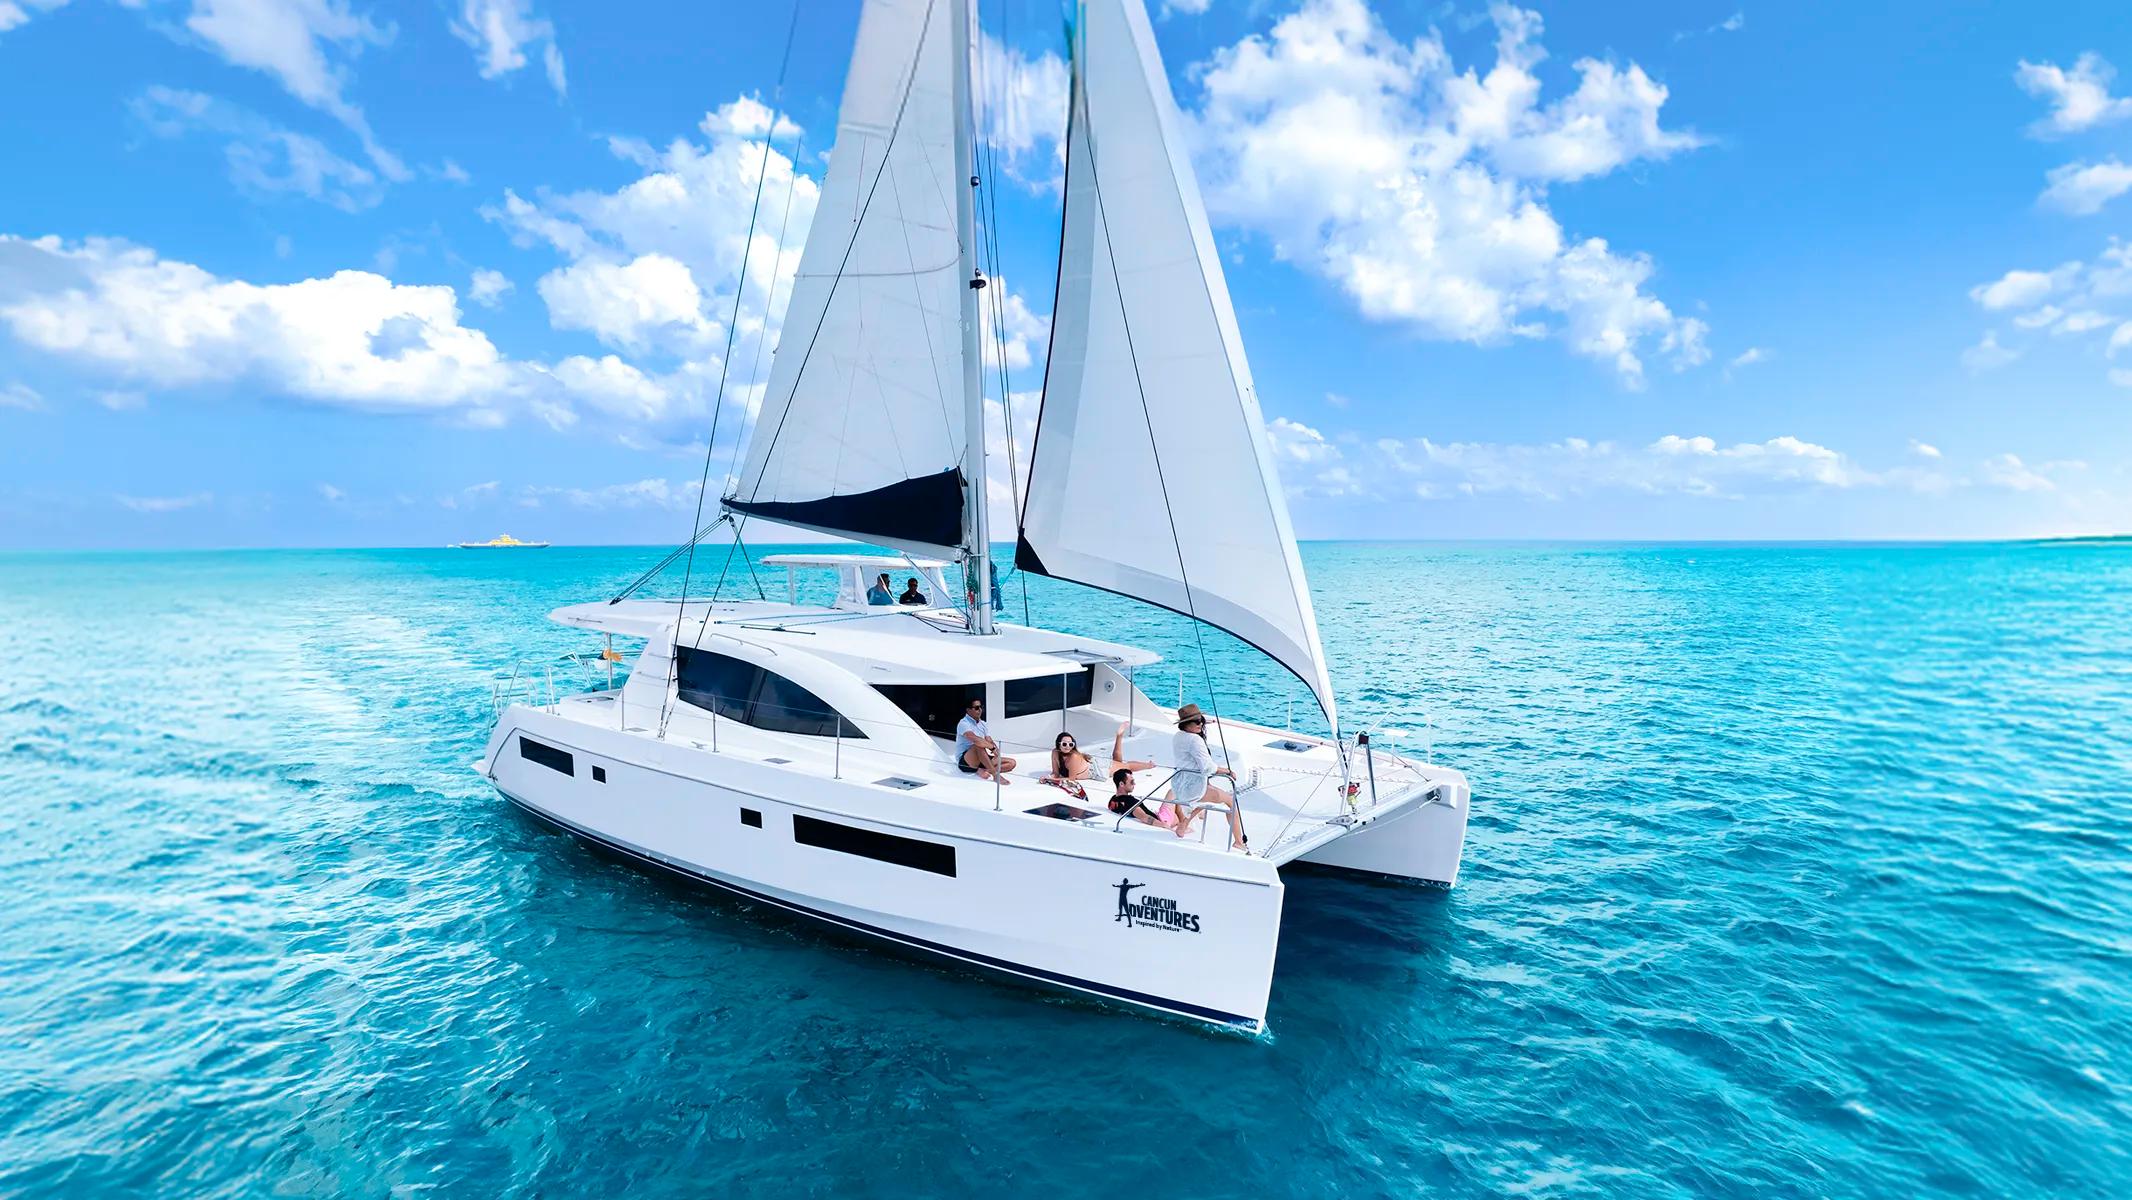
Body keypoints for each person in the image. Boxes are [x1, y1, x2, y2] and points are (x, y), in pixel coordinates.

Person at [1168, 703, 1247, 851]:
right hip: (1194, 787)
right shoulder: (1195, 740)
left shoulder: (1178, 736)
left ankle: (1184, 823)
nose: (1200, 724)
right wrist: (1227, 771)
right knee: (1230, 801)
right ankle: (1238, 842)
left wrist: (1201, 723)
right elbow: (1208, 767)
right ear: (1186, 724)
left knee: (1209, 795)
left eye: (1201, 720)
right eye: (1196, 721)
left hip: (1179, 784)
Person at [954, 697, 1015, 782]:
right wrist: (992, 748)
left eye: (981, 707)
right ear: (968, 710)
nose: (980, 710)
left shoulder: (983, 724)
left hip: (981, 756)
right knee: (978, 745)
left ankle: (984, 770)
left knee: (1011, 763)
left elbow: (989, 740)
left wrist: (996, 751)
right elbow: (975, 740)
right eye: (976, 708)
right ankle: (995, 775)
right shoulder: (964, 723)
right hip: (965, 761)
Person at [1108, 766, 1180, 831]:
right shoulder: (1130, 801)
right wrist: (1164, 825)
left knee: (1175, 805)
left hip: (1162, 817)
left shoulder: (1113, 800)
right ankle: (1182, 823)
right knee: (1173, 791)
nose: (1134, 784)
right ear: (1121, 784)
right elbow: (1144, 817)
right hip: (1162, 819)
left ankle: (1181, 822)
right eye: (1132, 782)